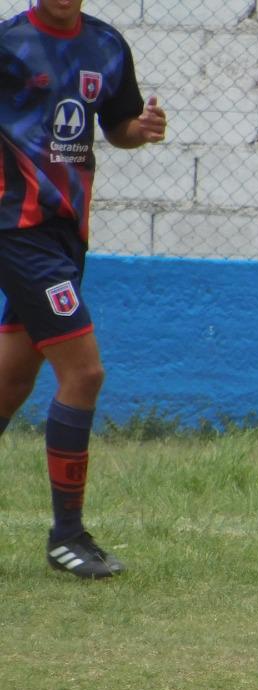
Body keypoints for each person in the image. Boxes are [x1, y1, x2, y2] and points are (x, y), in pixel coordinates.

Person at [0, 0, 166, 578]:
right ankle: (67, 537)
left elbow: (116, 127)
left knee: (12, 379)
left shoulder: (107, 45)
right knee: (84, 372)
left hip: (68, 235)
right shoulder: (10, 44)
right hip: (19, 232)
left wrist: (137, 131)